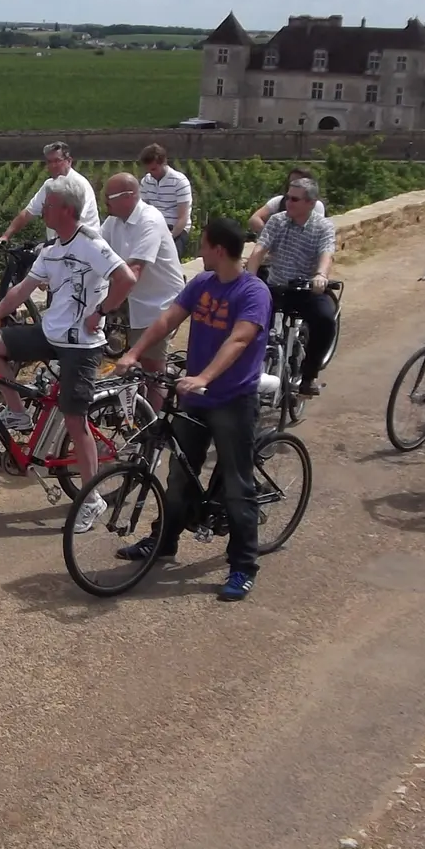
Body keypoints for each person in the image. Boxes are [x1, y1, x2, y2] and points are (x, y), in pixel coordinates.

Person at [114, 217, 270, 602]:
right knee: (179, 478)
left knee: (237, 485)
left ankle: (243, 566)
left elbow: (238, 340)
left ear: (218, 249)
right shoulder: (202, 284)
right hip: (195, 401)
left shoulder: (254, 292)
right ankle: (162, 543)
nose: (198, 251)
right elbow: (168, 319)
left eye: (202, 245)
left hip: (232, 399)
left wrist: (205, 377)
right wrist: (134, 352)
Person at [0, 178, 130, 533]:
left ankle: (92, 499)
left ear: (65, 210)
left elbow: (125, 278)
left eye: (48, 205)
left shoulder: (91, 243)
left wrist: (102, 311)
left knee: (75, 421)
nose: (42, 209)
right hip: (51, 333)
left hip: (81, 346)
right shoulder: (52, 249)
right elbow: (21, 291)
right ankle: (18, 416)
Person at [244, 176, 338, 396]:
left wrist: (320, 275)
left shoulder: (323, 227)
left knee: (325, 320)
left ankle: (308, 376)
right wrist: (250, 277)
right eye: (288, 197)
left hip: (307, 289)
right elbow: (260, 249)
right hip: (277, 287)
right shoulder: (277, 221)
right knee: (249, 321)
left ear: (310, 203)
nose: (288, 203)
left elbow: (327, 253)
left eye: (295, 199)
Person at [99, 172, 185, 411]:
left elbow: (134, 270)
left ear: (129, 196)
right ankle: (147, 408)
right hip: (138, 301)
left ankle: (152, 429)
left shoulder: (150, 220)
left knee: (151, 365)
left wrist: (102, 308)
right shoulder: (114, 221)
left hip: (162, 302)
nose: (105, 202)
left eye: (109, 197)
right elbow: (94, 248)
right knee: (141, 362)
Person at [0, 141, 100, 245]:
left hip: (84, 247)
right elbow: (28, 213)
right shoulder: (50, 185)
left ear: (69, 161)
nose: (53, 165)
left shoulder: (78, 185)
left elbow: (73, 222)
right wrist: (6, 236)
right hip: (61, 245)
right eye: (49, 162)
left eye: (57, 161)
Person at [138, 143, 194, 258]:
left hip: (176, 229)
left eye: (154, 169)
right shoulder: (146, 181)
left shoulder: (180, 182)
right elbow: (144, 210)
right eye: (148, 170)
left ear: (163, 163)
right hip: (155, 226)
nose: (151, 173)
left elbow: (182, 218)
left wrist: (169, 237)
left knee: (171, 258)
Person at [246, 167, 326, 234]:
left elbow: (316, 230)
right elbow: (254, 219)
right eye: (292, 181)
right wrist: (269, 235)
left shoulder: (316, 205)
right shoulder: (279, 201)